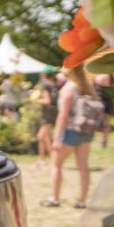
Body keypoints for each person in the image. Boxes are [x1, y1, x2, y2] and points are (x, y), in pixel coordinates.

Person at [41, 65, 102, 209]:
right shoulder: (88, 88)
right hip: (86, 131)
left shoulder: (68, 89)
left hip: (70, 131)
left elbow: (63, 115)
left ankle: (54, 198)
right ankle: (82, 201)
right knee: (83, 166)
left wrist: (56, 138)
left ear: (68, 73)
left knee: (56, 164)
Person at [34, 68, 59, 166]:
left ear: (44, 75)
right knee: (43, 137)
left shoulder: (45, 86)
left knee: (44, 137)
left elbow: (47, 101)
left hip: (47, 113)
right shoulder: (55, 85)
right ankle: (44, 159)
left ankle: (50, 160)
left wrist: (35, 100)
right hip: (53, 111)